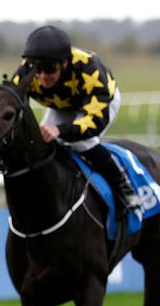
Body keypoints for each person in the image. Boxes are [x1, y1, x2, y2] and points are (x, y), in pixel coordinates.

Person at [11, 25, 140, 212]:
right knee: (38, 143)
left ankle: (124, 186)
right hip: (61, 105)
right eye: (38, 71)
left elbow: (94, 122)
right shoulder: (26, 72)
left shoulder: (91, 70)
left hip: (98, 103)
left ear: (64, 63)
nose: (42, 77)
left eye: (49, 70)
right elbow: (11, 102)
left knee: (82, 143)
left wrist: (60, 130)